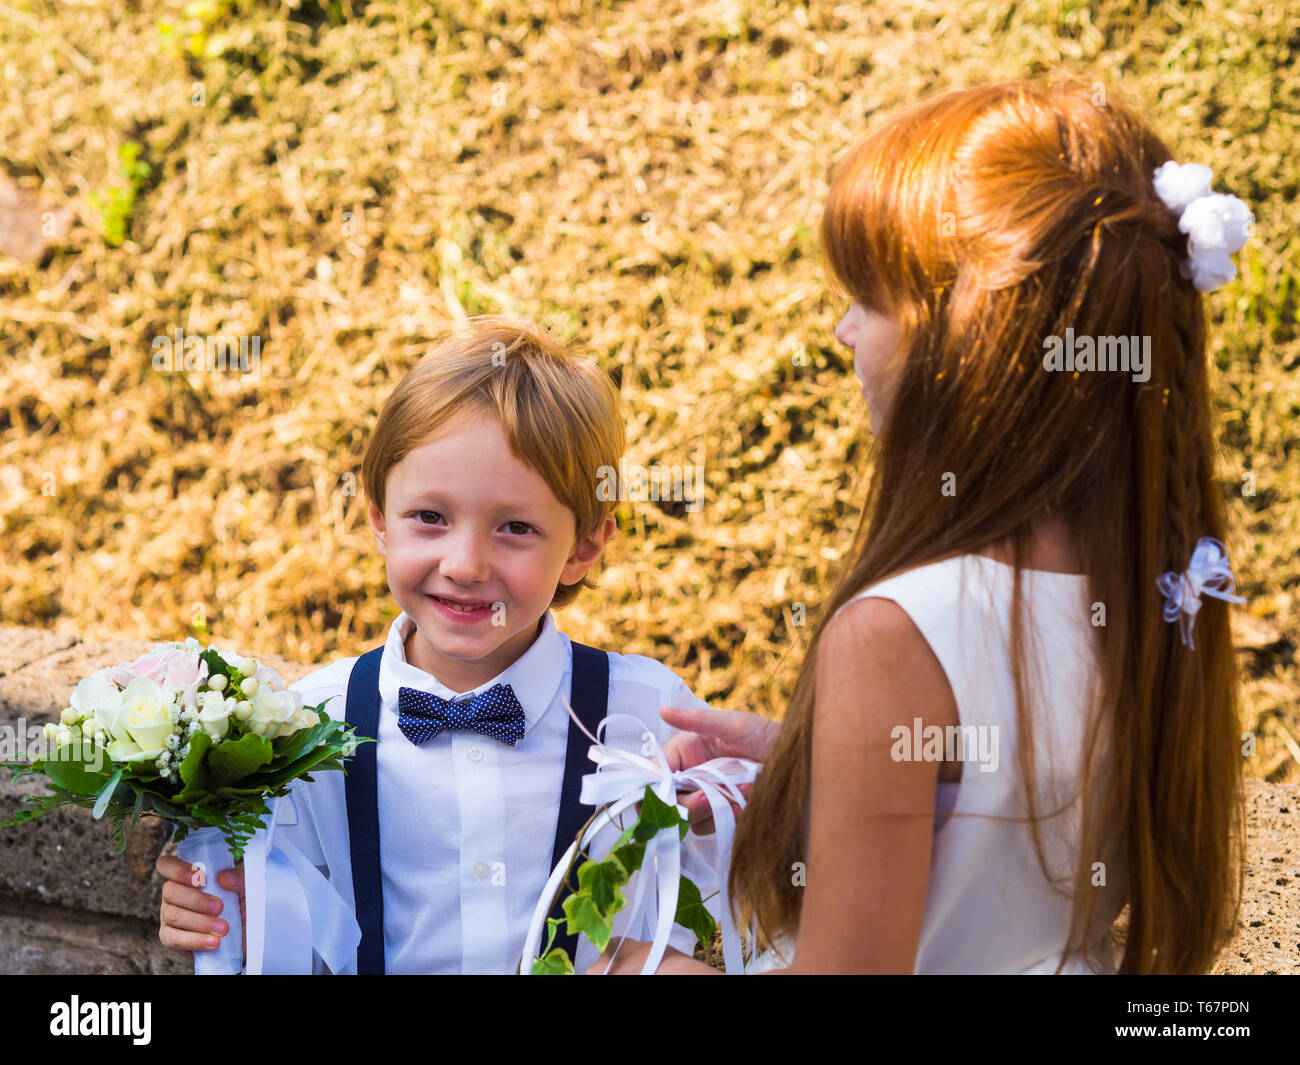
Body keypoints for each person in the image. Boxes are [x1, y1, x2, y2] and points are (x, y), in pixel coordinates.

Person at [604, 75, 1251, 975]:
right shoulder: (1150, 582)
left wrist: (654, 970)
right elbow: (1002, 815)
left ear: (961, 342)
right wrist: (821, 763)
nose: (842, 331)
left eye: (866, 301)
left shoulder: (894, 634)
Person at [155, 315, 724, 973]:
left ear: (585, 546)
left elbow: (737, 904)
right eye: (430, 517)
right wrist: (224, 914)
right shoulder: (308, 728)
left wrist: (732, 821)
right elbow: (293, 941)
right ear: (379, 521)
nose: (465, 563)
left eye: (515, 527)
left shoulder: (648, 715)